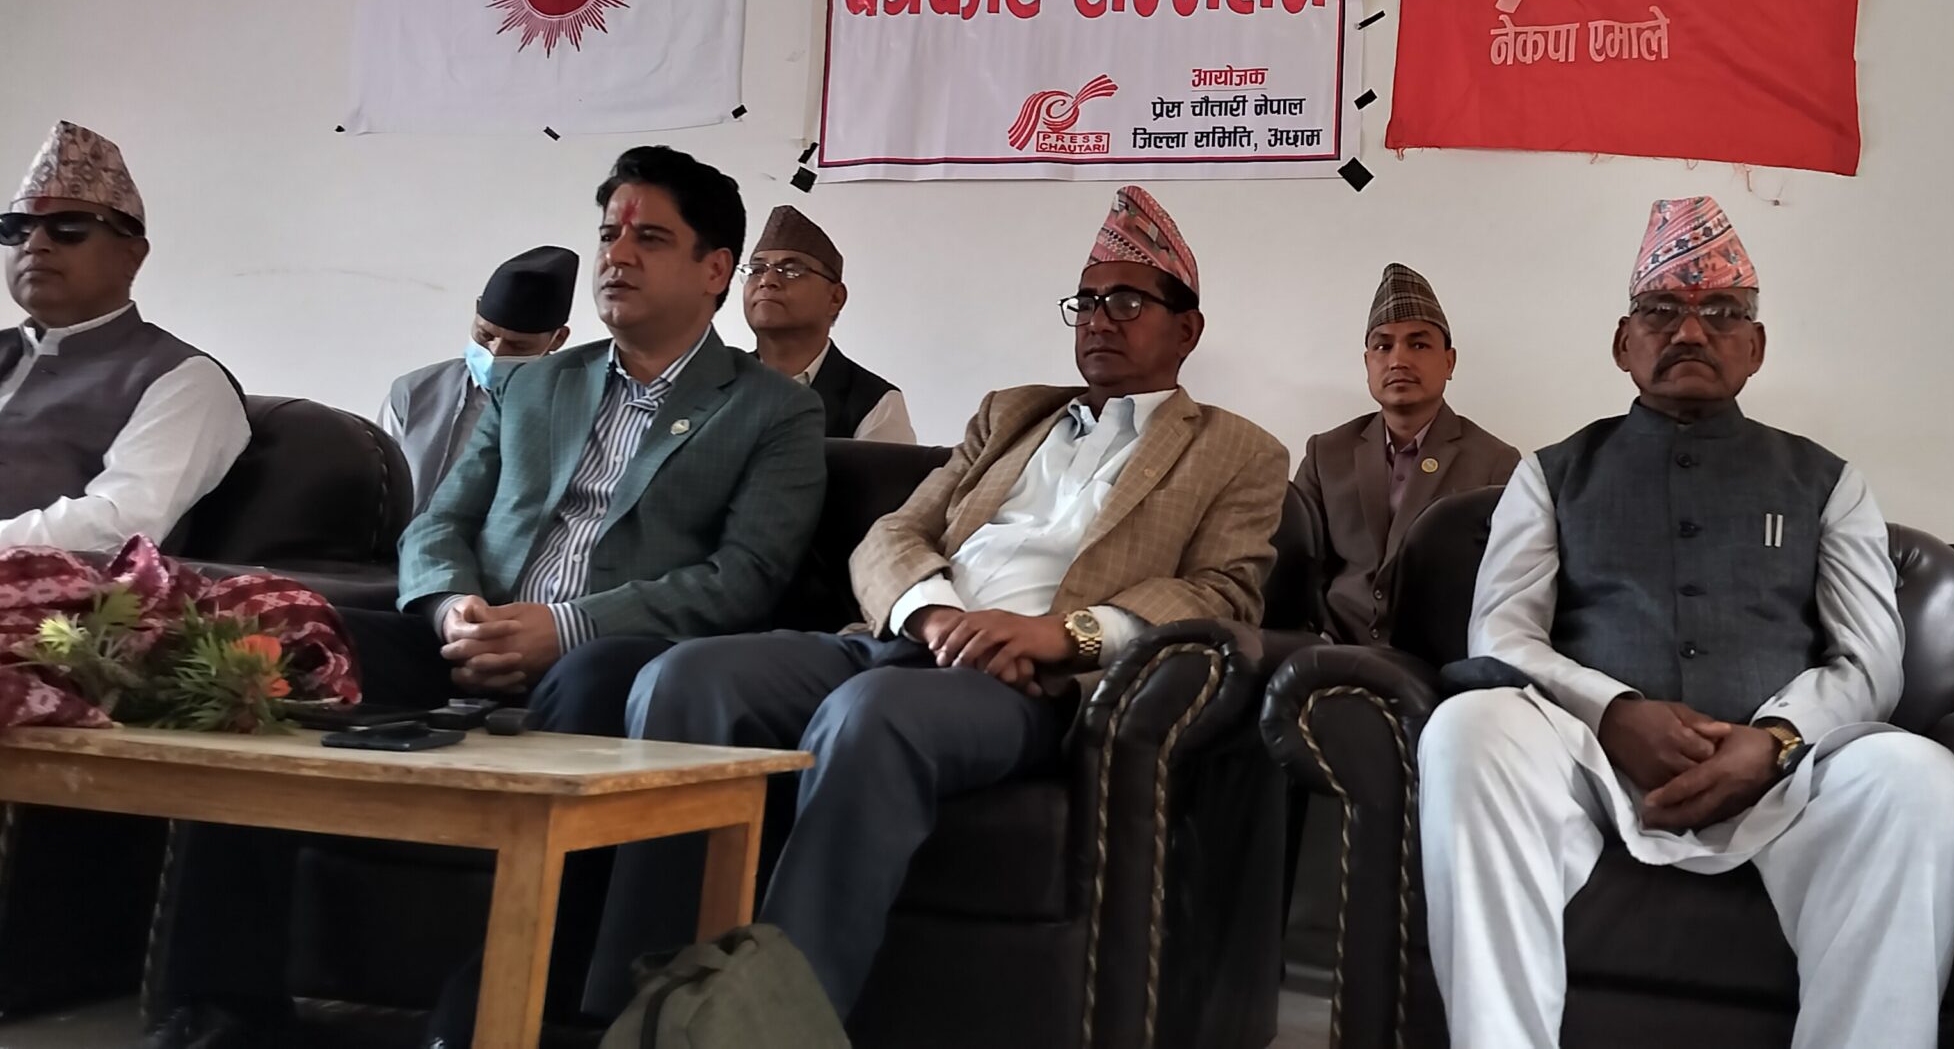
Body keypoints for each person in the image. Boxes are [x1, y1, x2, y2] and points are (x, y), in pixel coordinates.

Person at [149, 146, 827, 1049]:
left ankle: (481, 1023)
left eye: (651, 239)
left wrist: (566, 628)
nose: (617, 257)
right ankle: (221, 1008)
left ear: (714, 271)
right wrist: (452, 609)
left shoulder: (771, 411)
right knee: (276, 651)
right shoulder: (532, 384)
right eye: (609, 235)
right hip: (464, 636)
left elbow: (744, 577)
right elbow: (439, 523)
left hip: (609, 655)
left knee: (597, 682)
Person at [585, 184, 1286, 1020]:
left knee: (871, 716)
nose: (1100, 320)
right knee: (681, 680)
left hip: (1024, 685)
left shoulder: (1239, 451)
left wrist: (1061, 635)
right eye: (1088, 302)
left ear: (1187, 329)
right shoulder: (1012, 414)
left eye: (1127, 302)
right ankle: (633, 1011)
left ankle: (766, 1027)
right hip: (904, 636)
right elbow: (894, 533)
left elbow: (1222, 592)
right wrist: (933, 612)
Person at [1417, 196, 1954, 1049]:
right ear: (1623, 343)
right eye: (1660, 311)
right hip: (1588, 767)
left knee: (1918, 776)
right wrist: (1612, 713)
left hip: (1787, 779)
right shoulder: (1551, 475)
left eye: (1722, 313)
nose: (1689, 332)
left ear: (1756, 346)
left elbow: (1869, 663)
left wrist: (1775, 740)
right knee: (1468, 729)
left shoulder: (1829, 482)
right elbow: (1502, 635)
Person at [0, 120, 249, 552]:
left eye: (70, 227)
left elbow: (119, 526)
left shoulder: (184, 379)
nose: (35, 243)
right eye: (15, 228)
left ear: (131, 256)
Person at [1295, 262, 1518, 643]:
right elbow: (1298, 569)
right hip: (1331, 654)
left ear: (1449, 362)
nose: (1398, 360)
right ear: (1367, 362)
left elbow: (1505, 587)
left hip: (1438, 660)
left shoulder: (1495, 462)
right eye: (1383, 346)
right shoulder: (1326, 453)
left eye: (1418, 344)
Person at [378, 245, 578, 514]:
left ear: (558, 339)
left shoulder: (573, 412)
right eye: (485, 335)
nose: (495, 353)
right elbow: (379, 491)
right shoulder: (413, 394)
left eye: (518, 346)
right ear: (476, 311)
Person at [741, 204, 914, 442]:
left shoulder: (875, 404)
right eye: (757, 269)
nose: (767, 280)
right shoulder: (715, 383)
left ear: (835, 298)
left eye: (791, 270)